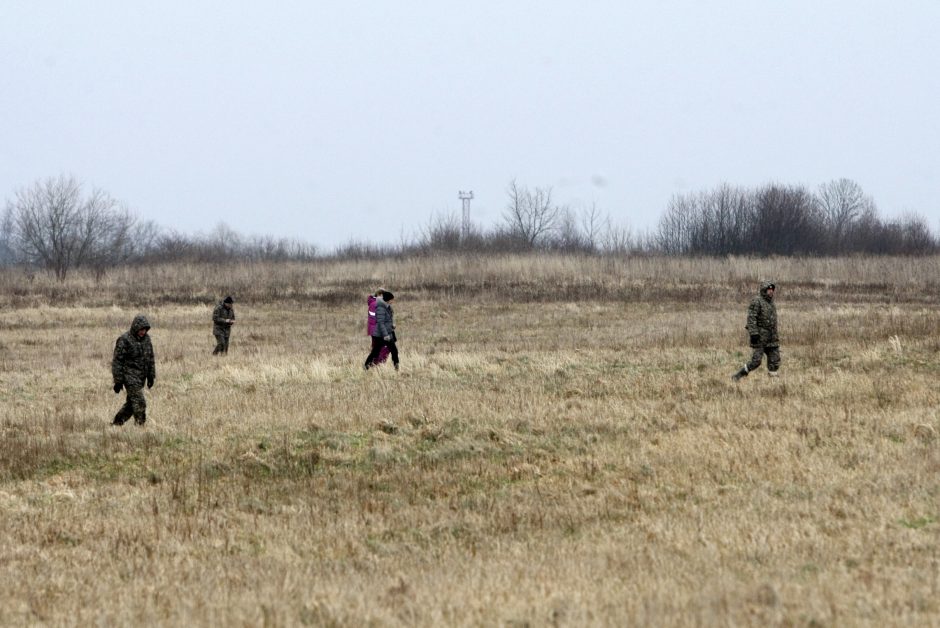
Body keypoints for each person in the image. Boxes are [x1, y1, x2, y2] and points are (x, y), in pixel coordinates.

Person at [111, 314, 156, 426]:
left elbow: (150, 358)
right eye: (141, 329)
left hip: (141, 378)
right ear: (135, 328)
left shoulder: (147, 340)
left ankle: (117, 423)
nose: (143, 332)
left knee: (131, 404)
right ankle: (140, 426)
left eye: (145, 329)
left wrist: (151, 376)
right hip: (129, 377)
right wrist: (118, 381)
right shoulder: (124, 340)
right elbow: (117, 361)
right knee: (140, 402)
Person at [732, 281, 780, 381]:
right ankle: (739, 374)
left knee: (775, 361)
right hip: (760, 338)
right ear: (764, 290)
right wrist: (753, 334)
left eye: (772, 290)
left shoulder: (771, 303)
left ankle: (774, 383)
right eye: (769, 290)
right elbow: (751, 318)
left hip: (772, 338)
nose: (771, 292)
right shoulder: (757, 301)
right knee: (756, 361)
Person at [364, 290, 399, 371]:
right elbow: (380, 323)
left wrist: (391, 326)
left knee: (394, 351)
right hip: (381, 335)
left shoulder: (387, 307)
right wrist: (385, 335)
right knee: (375, 352)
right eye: (392, 299)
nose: (393, 301)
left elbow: (386, 320)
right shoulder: (380, 308)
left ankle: (396, 367)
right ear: (388, 299)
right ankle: (367, 366)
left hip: (386, 333)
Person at [366, 289, 390, 366]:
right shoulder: (375, 305)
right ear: (379, 295)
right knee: (385, 347)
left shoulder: (375, 304)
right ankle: (378, 364)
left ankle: (374, 364)